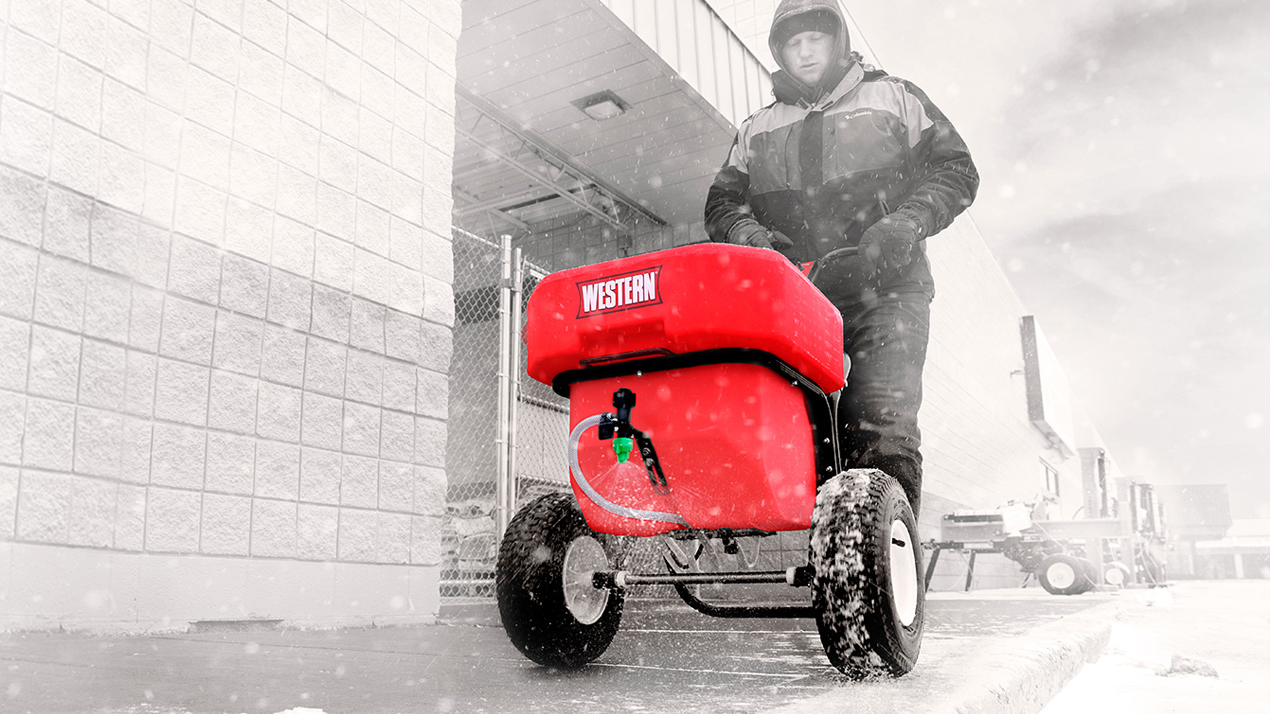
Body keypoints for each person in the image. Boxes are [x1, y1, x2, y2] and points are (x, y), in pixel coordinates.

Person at [705, 0, 979, 516]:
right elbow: (721, 204)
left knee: (879, 425)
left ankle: (884, 556)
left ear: (837, 40)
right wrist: (752, 237)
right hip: (799, 299)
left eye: (816, 39)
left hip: (888, 290)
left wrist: (905, 223)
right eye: (793, 43)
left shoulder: (894, 96)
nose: (805, 52)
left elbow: (956, 170)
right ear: (779, 51)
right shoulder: (756, 129)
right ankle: (827, 549)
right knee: (801, 433)